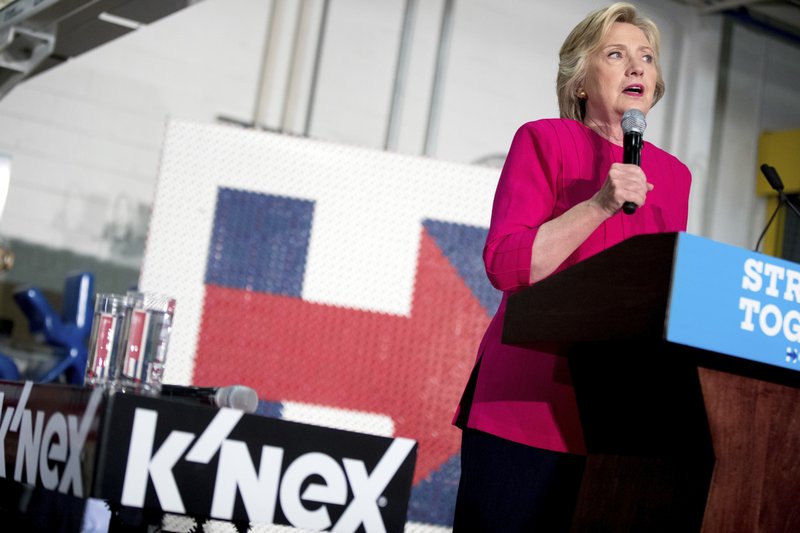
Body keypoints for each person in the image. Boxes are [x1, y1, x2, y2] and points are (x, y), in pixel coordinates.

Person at [452, 3, 691, 531]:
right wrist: (600, 204)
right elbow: (507, 265)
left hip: (617, 423)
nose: (637, 68)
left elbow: (661, 292)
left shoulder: (674, 177)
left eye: (647, 57)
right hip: (526, 402)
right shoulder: (543, 140)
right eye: (616, 54)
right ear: (581, 81)